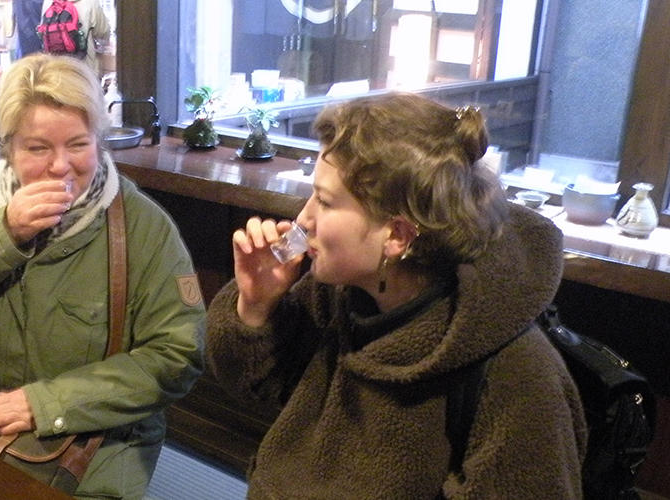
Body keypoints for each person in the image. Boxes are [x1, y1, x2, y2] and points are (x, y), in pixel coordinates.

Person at [206, 93, 587, 498]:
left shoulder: (515, 372)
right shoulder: (337, 295)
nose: (303, 218)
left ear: (397, 235)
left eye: (326, 201)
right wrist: (256, 304)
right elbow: (250, 385)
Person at [0, 53, 204, 498]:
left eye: (78, 144)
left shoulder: (142, 226)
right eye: (38, 148)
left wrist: (46, 404)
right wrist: (2, 234)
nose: (60, 166)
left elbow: (177, 356)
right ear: (8, 148)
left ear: (99, 140)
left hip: (97, 432)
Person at [39, 0, 111, 75]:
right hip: (84, 69)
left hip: (56, 68)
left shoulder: (48, 2)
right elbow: (103, 32)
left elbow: (42, 32)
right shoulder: (90, 2)